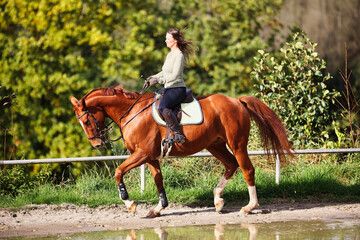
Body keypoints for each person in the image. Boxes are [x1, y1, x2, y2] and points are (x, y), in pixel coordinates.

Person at [146, 28, 195, 143]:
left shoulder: (179, 56)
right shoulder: (169, 55)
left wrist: (159, 80)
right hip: (168, 88)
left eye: (168, 39)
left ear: (175, 41)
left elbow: (175, 75)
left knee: (163, 107)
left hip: (177, 89)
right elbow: (164, 72)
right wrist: (152, 77)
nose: (165, 41)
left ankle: (178, 134)